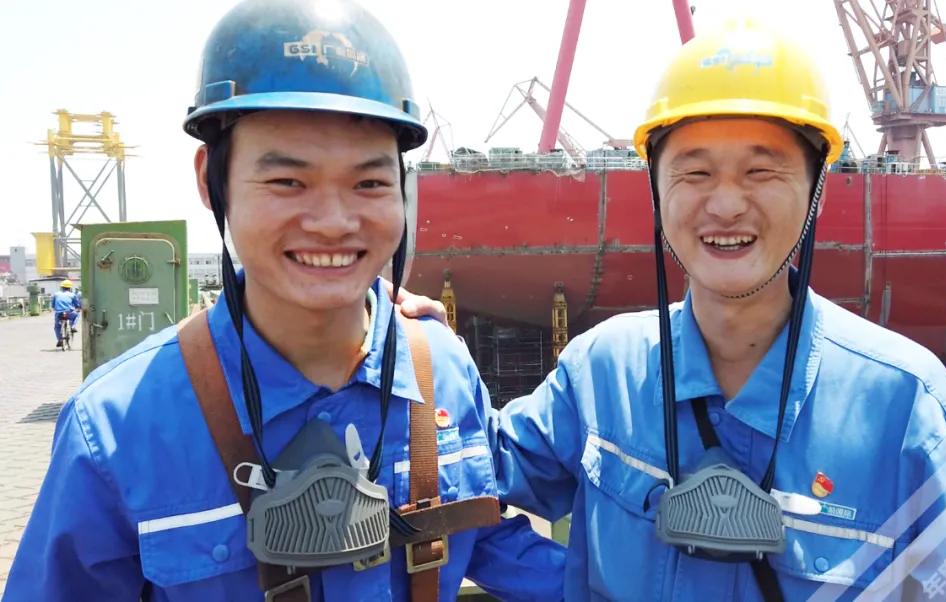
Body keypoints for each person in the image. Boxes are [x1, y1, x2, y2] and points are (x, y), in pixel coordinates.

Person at [405, 17, 946, 601]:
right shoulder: (603, 372)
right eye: (694, 172)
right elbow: (465, 481)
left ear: (817, 190)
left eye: (761, 170)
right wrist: (415, 350)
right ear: (655, 189)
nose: (726, 204)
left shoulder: (907, 408)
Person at [6, 1, 564, 600]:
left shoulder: (442, 372)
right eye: (287, 181)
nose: (334, 222)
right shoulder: (117, 427)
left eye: (369, 182)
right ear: (211, 180)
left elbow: (483, 531)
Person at [51, 279, 80, 347]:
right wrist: (78, 308)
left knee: (57, 326)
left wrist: (55, 308)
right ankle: (73, 327)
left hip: (59, 313)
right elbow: (77, 304)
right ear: (70, 288)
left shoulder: (56, 294)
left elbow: (52, 305)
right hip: (69, 312)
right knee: (77, 315)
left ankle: (59, 340)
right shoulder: (72, 295)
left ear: (61, 287)